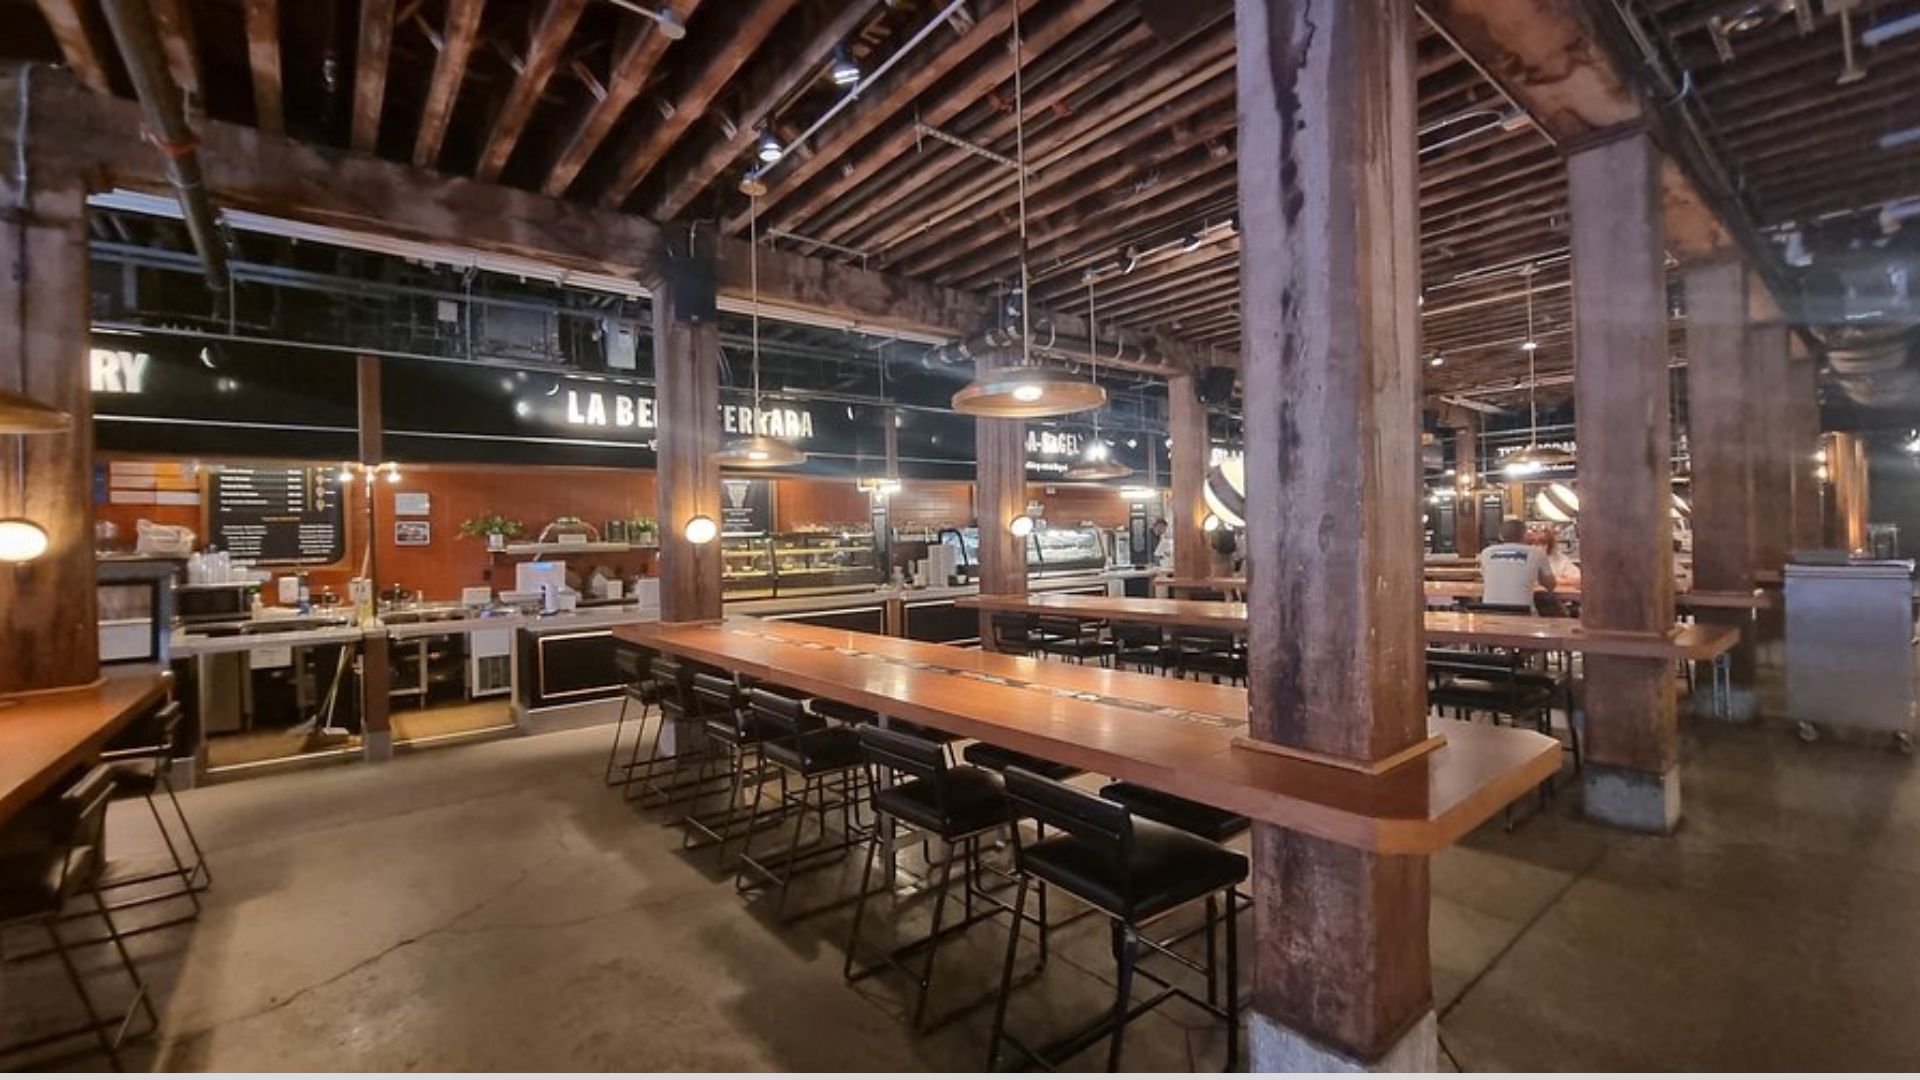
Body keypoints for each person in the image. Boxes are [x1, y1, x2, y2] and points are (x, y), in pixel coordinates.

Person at [1479, 517, 1555, 610]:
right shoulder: (1537, 553)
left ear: (1500, 536)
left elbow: (1486, 577)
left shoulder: (1486, 553)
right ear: (1525, 535)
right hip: (1523, 613)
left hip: (1489, 612)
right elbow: (1551, 585)